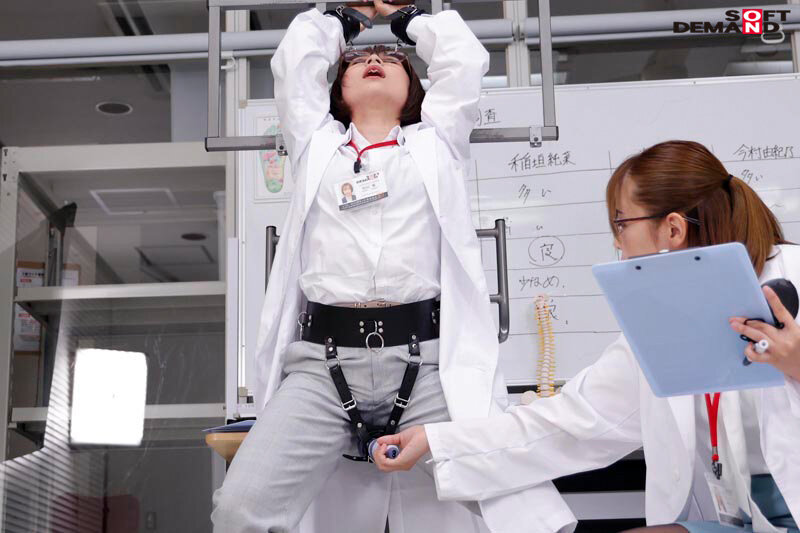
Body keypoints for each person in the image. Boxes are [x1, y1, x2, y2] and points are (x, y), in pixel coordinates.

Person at [210, 2, 576, 532]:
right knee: (240, 509)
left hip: (425, 365)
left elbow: (463, 59)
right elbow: (295, 63)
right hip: (323, 367)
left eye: (392, 59)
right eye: (359, 60)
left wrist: (406, 17)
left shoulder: (437, 142)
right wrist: (343, 18)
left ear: (413, 90)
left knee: (523, 506)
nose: (375, 60)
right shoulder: (315, 144)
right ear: (338, 91)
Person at [375, 140, 800, 533]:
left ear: (673, 229)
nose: (617, 243)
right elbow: (571, 423)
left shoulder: (792, 275)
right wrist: (436, 441)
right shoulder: (663, 322)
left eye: (622, 223)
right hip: (738, 519)